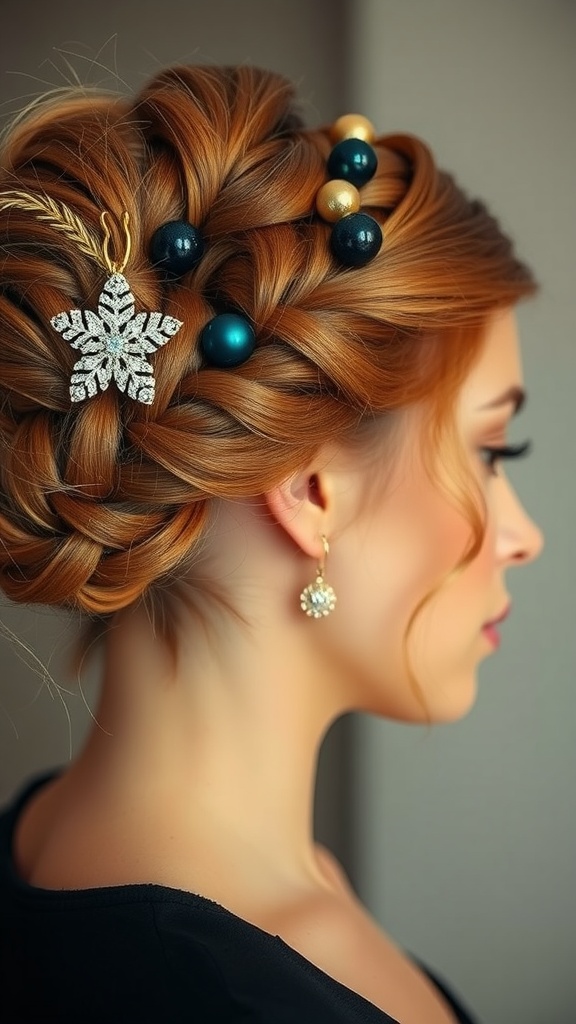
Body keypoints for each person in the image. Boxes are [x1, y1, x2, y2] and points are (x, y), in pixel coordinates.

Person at [0, 64, 543, 1024]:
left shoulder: (42, 840)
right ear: (309, 489)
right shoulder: (260, 991)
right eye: (492, 449)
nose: (523, 537)